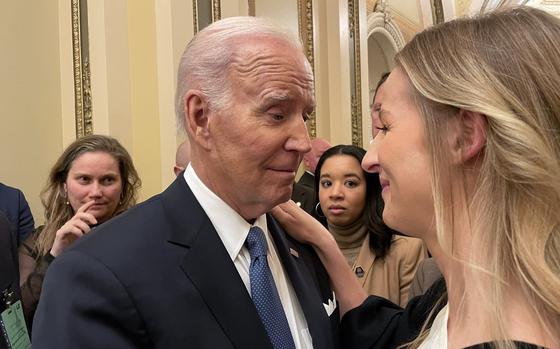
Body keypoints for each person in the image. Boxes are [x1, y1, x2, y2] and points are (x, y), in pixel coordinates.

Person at [32, 17, 338, 349]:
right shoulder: (96, 274)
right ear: (200, 117)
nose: (303, 142)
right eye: (277, 114)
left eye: (304, 116)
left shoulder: (303, 242)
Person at [273, 7, 560, 349]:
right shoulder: (462, 294)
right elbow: (384, 332)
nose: (371, 159)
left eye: (385, 128)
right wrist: (325, 243)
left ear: (465, 136)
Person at [18, 134, 140, 328]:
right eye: (84, 179)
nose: (96, 192)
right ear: (64, 186)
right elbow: (20, 321)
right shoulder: (38, 242)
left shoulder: (141, 235)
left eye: (108, 180)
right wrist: (55, 255)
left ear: (123, 187)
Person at [315, 144, 425, 307]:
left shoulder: (405, 252)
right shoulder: (301, 251)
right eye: (326, 183)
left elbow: (412, 328)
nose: (335, 193)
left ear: (370, 191)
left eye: (350, 183)